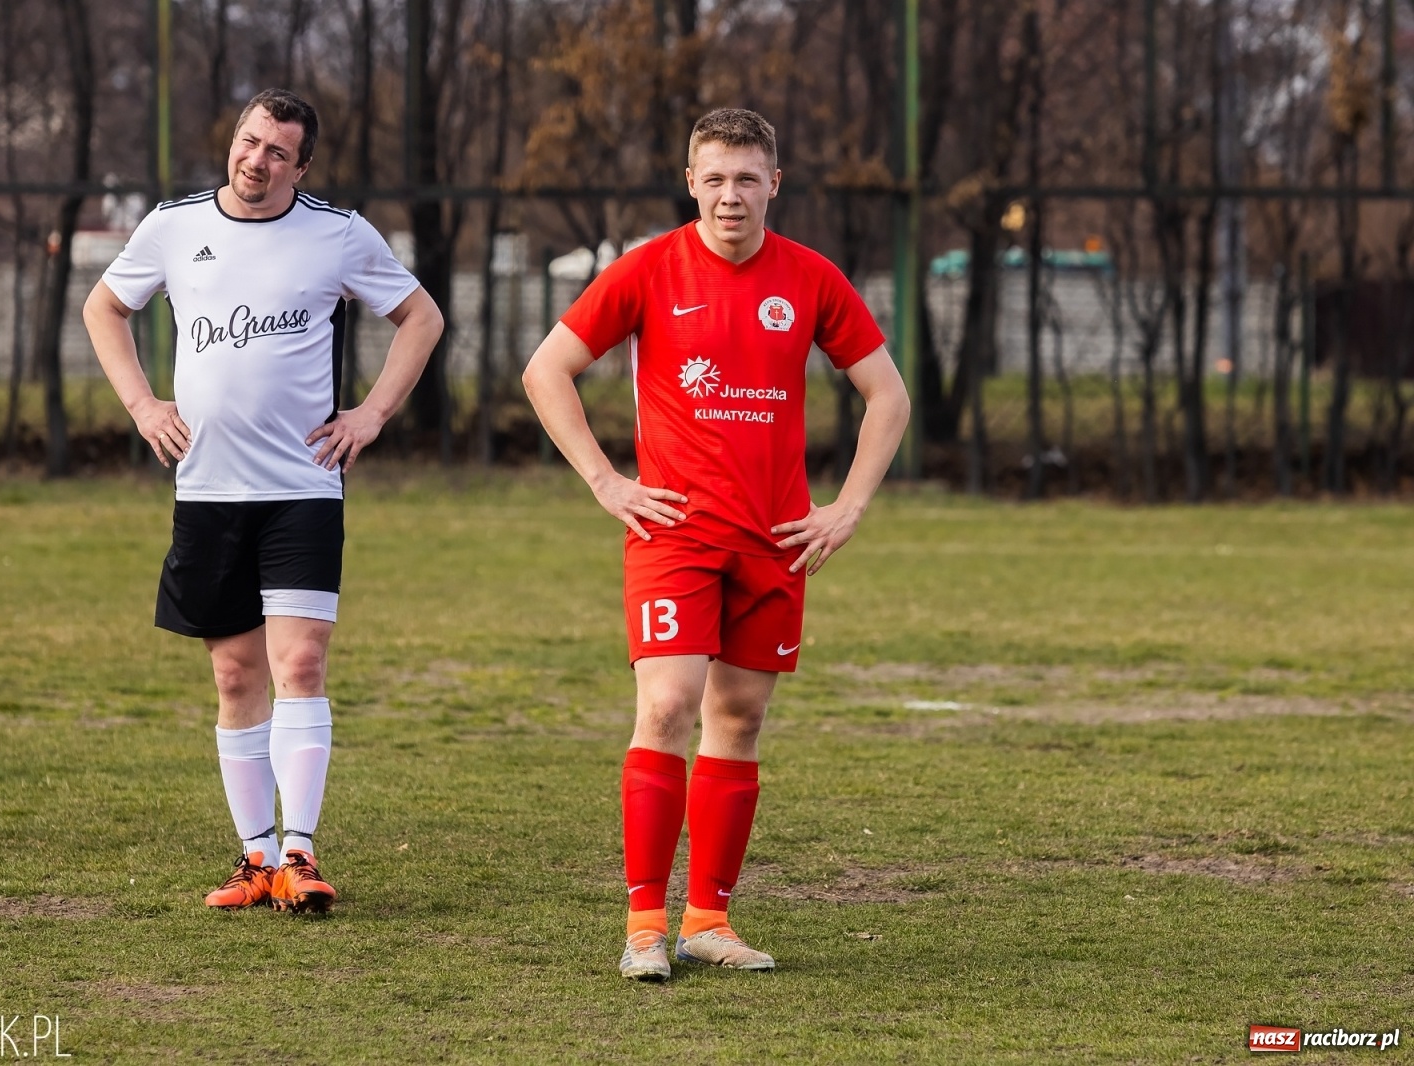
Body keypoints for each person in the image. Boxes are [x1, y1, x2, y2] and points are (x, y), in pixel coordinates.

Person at [523, 108, 911, 980]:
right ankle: (644, 927)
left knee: (740, 717)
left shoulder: (810, 278)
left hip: (776, 538)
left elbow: (888, 396)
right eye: (715, 177)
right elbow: (545, 370)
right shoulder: (649, 269)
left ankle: (710, 920)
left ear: (774, 183)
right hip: (675, 532)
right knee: (666, 704)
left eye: (747, 178)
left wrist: (846, 507)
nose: (730, 194)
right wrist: (605, 481)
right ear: (690, 182)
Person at [85, 88, 442, 913]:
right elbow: (104, 307)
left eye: (278, 151)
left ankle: (301, 852)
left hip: (303, 488)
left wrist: (374, 414)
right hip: (207, 488)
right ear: (233, 140)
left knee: (302, 665)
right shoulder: (174, 226)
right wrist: (143, 406)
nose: (258, 160)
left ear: (301, 165)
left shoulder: (338, 233)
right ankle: (254, 861)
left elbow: (421, 316)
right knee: (236, 673)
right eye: (250, 142)